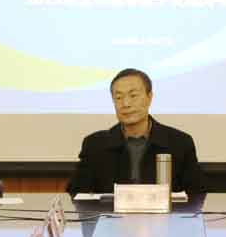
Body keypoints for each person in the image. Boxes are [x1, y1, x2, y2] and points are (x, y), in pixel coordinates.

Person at [66, 68, 206, 194]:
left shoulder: (179, 143)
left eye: (133, 95)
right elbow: (76, 194)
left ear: (149, 97)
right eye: (118, 97)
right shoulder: (95, 145)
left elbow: (197, 197)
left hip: (165, 215)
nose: (126, 104)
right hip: (111, 215)